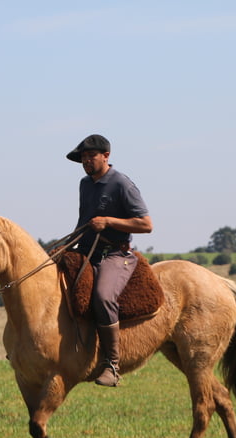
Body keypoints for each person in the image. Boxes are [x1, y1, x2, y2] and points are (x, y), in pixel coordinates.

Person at [66, 134, 153, 387]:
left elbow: (146, 224)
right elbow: (83, 223)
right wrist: (65, 247)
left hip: (116, 255)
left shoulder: (121, 184)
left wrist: (109, 221)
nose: (86, 161)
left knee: (103, 296)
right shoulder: (85, 184)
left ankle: (112, 366)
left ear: (106, 156)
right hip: (87, 250)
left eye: (90, 156)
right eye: (82, 158)